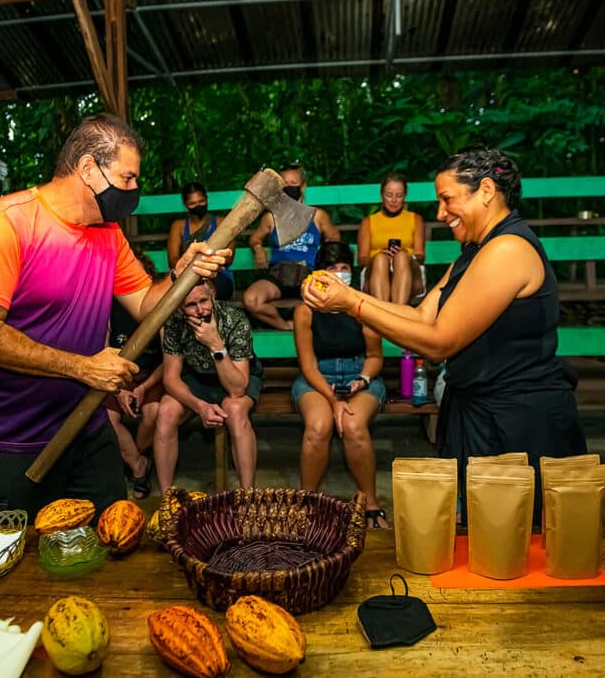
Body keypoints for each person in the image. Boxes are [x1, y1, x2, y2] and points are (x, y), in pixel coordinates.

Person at [0, 114, 229, 520]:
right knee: (10, 564)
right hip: (10, 439)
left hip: (87, 426)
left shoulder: (108, 232)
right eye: (128, 177)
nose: (135, 189)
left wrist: (181, 275)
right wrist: (82, 368)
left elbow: (145, 304)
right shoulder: (2, 224)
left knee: (113, 538)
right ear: (87, 168)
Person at [301, 146, 587, 523]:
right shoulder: (474, 251)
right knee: (477, 538)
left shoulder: (508, 250)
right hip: (477, 410)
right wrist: (349, 296)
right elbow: (421, 316)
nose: (440, 213)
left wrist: (352, 304)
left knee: (515, 541)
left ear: (485, 190)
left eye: (447, 199)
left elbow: (439, 341)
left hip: (516, 422)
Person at [292, 242, 388, 528]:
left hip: (360, 375)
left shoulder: (360, 306)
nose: (338, 273)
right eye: (331, 268)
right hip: (317, 379)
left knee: (353, 425)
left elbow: (375, 356)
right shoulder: (305, 311)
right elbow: (308, 366)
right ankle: (307, 504)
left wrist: (363, 380)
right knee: (319, 426)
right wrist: (334, 401)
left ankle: (370, 503)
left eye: (344, 267)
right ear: (317, 274)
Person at [154, 279, 262, 493]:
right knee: (166, 410)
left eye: (204, 300)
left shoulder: (234, 319)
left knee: (235, 409)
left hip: (235, 377)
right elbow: (171, 378)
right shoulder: (175, 323)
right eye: (191, 305)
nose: (200, 310)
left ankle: (248, 496)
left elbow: (237, 388)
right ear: (179, 306)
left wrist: (215, 345)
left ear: (212, 294)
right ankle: (167, 499)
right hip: (197, 378)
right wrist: (199, 406)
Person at [243, 164, 340, 330]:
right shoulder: (271, 218)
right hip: (279, 274)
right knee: (251, 299)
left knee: (331, 298)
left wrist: (325, 258)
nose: (289, 188)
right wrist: (258, 247)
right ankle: (287, 326)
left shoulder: (317, 215)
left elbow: (334, 237)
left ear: (302, 187)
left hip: (307, 274)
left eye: (293, 183)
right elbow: (255, 238)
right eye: (284, 184)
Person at [106, 246, 163, 500]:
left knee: (153, 413)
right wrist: (119, 389)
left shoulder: (159, 309)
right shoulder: (108, 306)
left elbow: (169, 362)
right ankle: (139, 466)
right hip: (119, 377)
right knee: (107, 417)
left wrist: (143, 387)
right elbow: (103, 350)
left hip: (151, 376)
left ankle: (132, 458)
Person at [358, 173, 426, 305]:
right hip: (376, 271)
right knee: (381, 259)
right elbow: (362, 259)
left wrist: (402, 255)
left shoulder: (415, 219)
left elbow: (420, 255)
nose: (394, 200)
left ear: (404, 197)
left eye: (399, 195)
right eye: (389, 195)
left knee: (401, 257)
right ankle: (384, 313)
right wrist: (382, 255)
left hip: (409, 271)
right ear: (382, 195)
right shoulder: (368, 222)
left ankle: (397, 312)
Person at [167, 182, 235, 300]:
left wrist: (203, 267)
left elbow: (228, 258)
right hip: (187, 276)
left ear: (207, 199)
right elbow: (173, 260)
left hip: (218, 276)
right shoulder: (178, 226)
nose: (198, 206)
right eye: (192, 203)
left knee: (203, 291)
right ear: (185, 204)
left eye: (201, 201)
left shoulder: (222, 223)